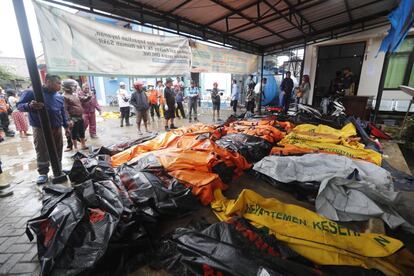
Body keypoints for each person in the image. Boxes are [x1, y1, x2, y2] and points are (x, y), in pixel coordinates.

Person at [17, 74, 68, 185]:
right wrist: (29, 105)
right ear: (48, 81)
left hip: (56, 127)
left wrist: (66, 125)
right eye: (58, 83)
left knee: (58, 148)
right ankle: (43, 173)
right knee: (41, 149)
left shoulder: (59, 96)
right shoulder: (32, 92)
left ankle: (58, 168)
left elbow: (62, 112)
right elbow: (19, 106)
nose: (60, 86)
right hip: (40, 127)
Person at [63, 79, 88, 151]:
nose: (75, 88)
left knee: (81, 131)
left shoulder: (74, 95)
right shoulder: (65, 97)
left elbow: (82, 100)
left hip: (80, 117)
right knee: (73, 133)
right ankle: (75, 147)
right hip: (73, 118)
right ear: (67, 87)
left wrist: (88, 98)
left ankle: (83, 145)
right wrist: (69, 119)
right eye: (73, 86)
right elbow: (65, 109)